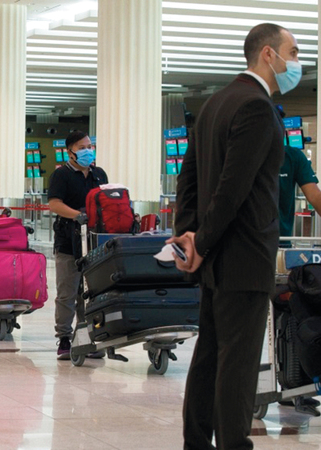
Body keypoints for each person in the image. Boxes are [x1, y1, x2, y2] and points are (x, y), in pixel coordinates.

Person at [169, 23, 298, 450]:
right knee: (238, 362)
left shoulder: (215, 104)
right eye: (292, 53)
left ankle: (196, 441)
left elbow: (188, 179)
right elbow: (234, 188)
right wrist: (200, 241)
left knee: (210, 354)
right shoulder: (257, 107)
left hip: (215, 258)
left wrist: (188, 237)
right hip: (244, 254)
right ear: (267, 54)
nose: (296, 62)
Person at [46, 130, 107, 360]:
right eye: (82, 148)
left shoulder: (99, 174)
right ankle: (64, 337)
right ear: (70, 151)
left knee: (90, 292)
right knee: (67, 293)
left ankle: (88, 336)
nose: (87, 151)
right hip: (68, 242)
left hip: (93, 243)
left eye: (89, 146)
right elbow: (54, 204)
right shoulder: (61, 175)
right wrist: (77, 215)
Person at [279, 144, 321, 239]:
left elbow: (314, 195)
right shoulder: (246, 154)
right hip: (248, 240)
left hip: (281, 240)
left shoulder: (293, 156)